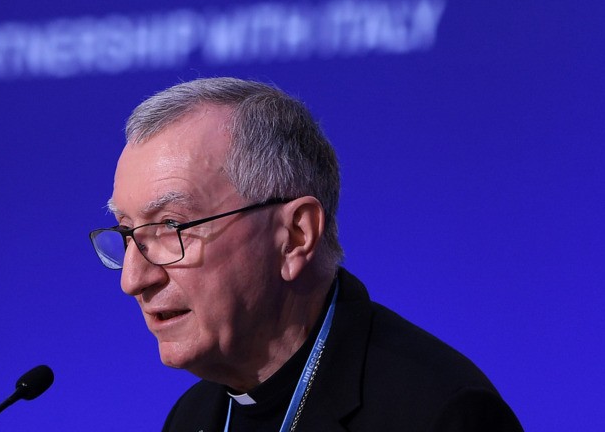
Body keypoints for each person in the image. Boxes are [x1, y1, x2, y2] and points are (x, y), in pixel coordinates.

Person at [91, 77, 523, 431]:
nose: (133, 280)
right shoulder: (192, 418)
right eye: (127, 233)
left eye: (171, 226)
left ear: (296, 236)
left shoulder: (438, 414)